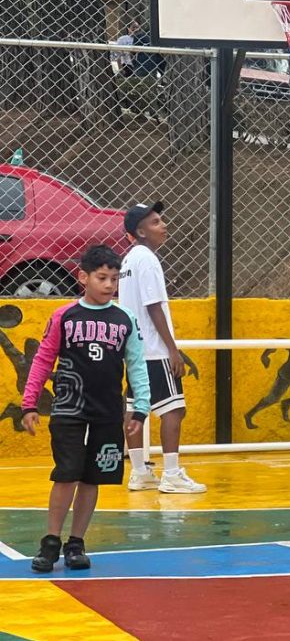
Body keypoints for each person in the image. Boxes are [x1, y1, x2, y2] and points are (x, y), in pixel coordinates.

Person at [21, 245, 151, 573]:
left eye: (114, 279)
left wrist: (141, 408)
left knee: (93, 477)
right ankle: (51, 541)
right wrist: (29, 402)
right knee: (67, 473)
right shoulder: (64, 316)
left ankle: (76, 542)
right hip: (69, 408)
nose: (109, 285)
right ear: (83, 277)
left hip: (107, 411)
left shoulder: (125, 319)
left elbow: (136, 364)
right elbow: (43, 359)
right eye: (101, 277)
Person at [119, 202, 206, 494]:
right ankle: (171, 474)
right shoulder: (147, 259)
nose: (164, 225)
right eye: (156, 222)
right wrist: (172, 349)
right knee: (174, 409)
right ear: (141, 232)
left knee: (135, 406)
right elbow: (153, 306)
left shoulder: (129, 260)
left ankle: (140, 472)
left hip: (135, 350)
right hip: (154, 350)